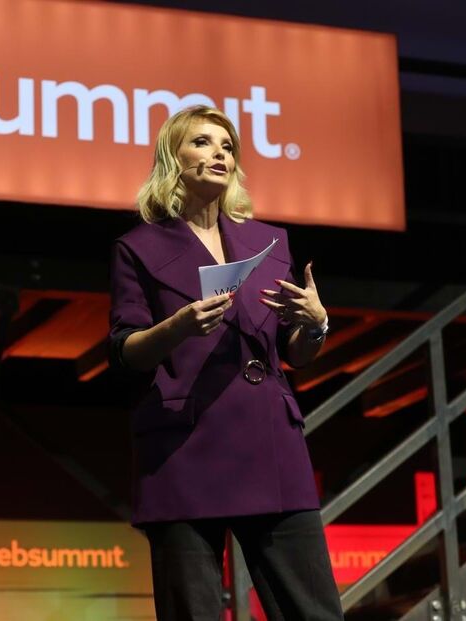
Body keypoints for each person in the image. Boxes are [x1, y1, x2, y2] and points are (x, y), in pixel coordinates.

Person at [109, 105, 342, 620]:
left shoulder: (269, 242)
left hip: (270, 442)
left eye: (227, 146)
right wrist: (179, 326)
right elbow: (125, 351)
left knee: (315, 611)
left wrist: (316, 322)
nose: (218, 153)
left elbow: (294, 353)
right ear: (174, 156)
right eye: (202, 142)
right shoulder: (138, 247)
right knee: (193, 611)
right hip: (182, 444)